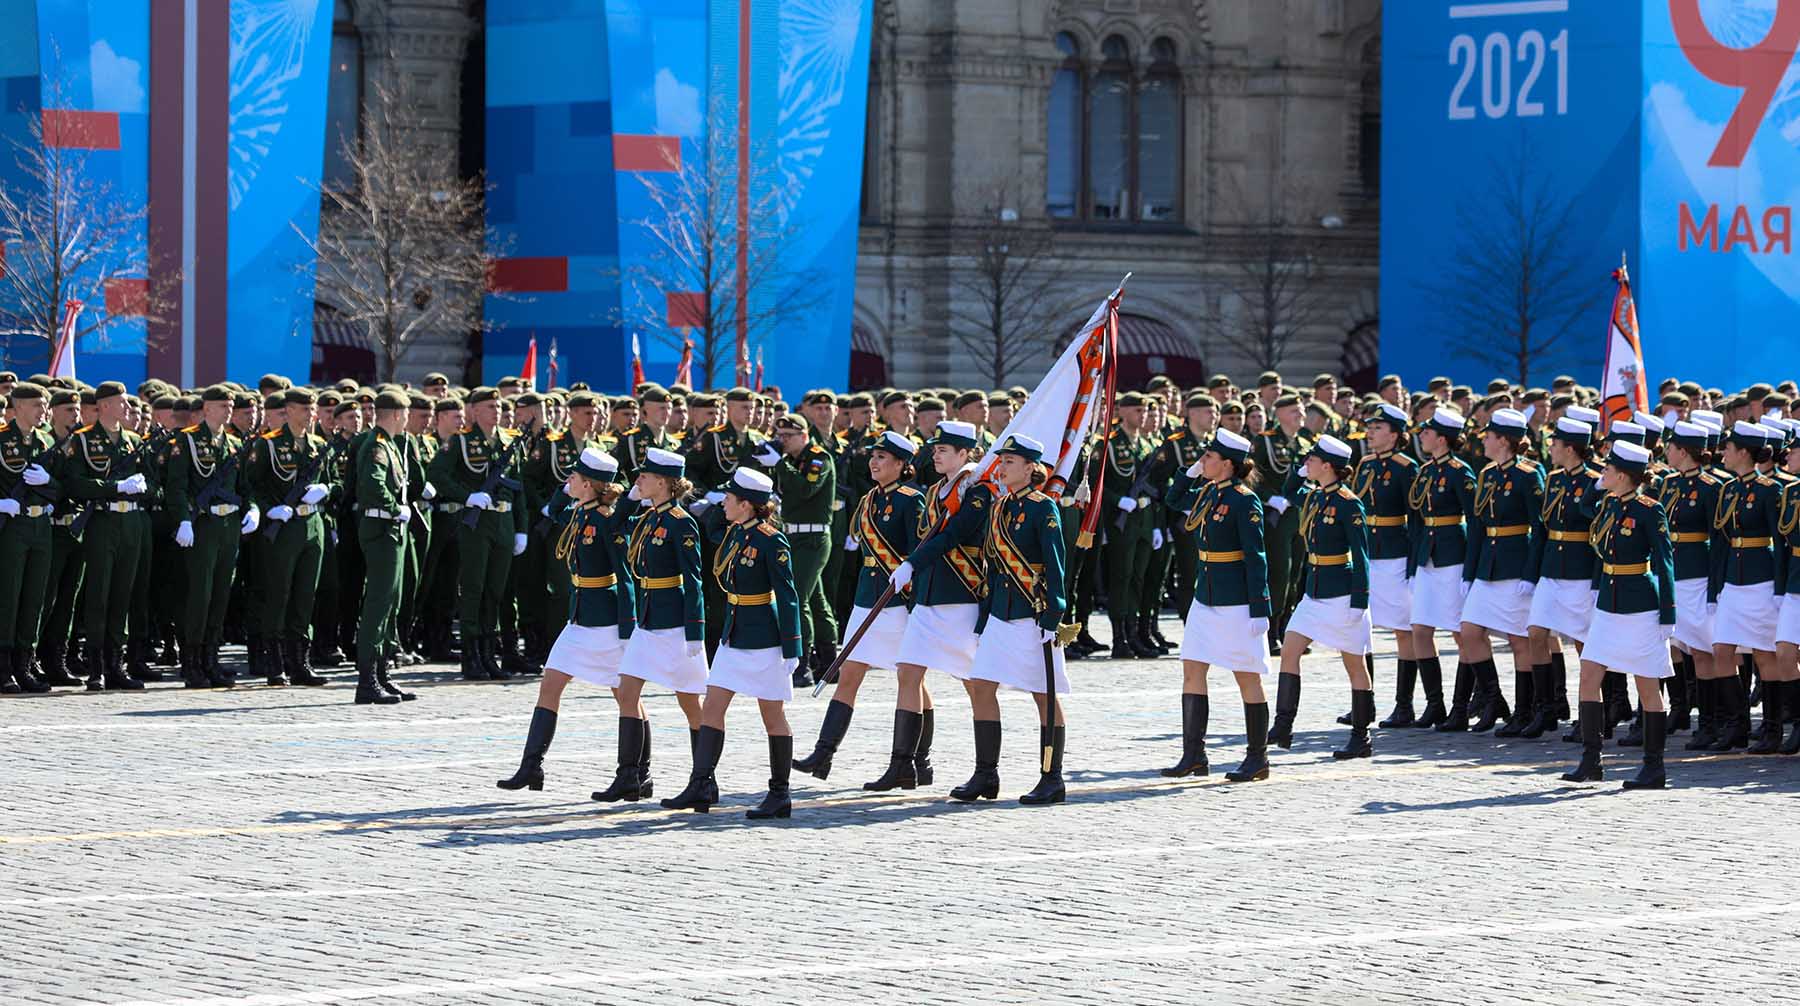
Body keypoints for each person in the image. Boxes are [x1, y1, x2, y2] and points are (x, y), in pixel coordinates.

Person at [662, 468, 803, 817]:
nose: (722, 501)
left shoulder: (771, 540)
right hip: (733, 633)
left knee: (772, 715)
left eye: (730, 498)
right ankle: (702, 784)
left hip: (765, 639)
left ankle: (779, 793)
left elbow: (787, 596)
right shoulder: (735, 533)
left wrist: (793, 646)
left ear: (746, 504)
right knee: (712, 706)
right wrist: (717, 508)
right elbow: (711, 527)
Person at [498, 447, 638, 793]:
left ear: (589, 484)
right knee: (551, 683)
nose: (568, 480)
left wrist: (627, 627)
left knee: (625, 696)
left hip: (606, 620)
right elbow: (555, 511)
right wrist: (567, 490)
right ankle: (532, 767)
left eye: (574, 476)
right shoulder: (580, 513)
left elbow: (626, 575)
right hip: (580, 617)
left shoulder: (607, 520)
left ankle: (634, 773)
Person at [794, 431, 930, 788]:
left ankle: (914, 761)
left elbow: (920, 557)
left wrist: (916, 602)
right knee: (850, 672)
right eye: (873, 456)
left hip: (898, 602)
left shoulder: (911, 501)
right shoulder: (869, 500)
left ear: (902, 465)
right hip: (868, 599)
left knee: (911, 679)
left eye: (883, 457)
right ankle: (823, 754)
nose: (874, 462)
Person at [885, 420, 995, 799]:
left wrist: (912, 563)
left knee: (975, 685)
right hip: (930, 599)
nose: (936, 455)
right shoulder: (935, 491)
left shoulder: (978, 491)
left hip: (961, 597)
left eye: (944, 450)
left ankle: (986, 770)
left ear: (966, 454)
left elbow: (955, 535)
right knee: (907, 673)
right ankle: (905, 763)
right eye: (935, 450)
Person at [959, 434, 1070, 804]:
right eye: (1001, 461)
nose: (1002, 467)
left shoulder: (1044, 508)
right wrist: (984, 615)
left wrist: (1053, 613)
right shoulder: (999, 507)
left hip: (1032, 614)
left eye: (1010, 462)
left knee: (1043, 695)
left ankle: (1051, 777)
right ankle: (985, 774)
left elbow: (1055, 565)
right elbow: (993, 567)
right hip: (1001, 612)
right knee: (981, 685)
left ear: (1030, 468)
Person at [1562, 441, 1676, 787]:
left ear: (1624, 475)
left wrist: (1668, 612)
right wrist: (1598, 488)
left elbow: (1665, 561)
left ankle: (1654, 765)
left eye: (1608, 470)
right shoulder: (1609, 503)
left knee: (1646, 685)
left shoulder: (1649, 510)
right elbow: (1584, 508)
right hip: (1609, 605)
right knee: (1589, 673)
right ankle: (1591, 758)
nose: (1602, 474)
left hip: (1640, 605)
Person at [1161, 427, 1273, 782]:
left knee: (1246, 677)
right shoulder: (1208, 491)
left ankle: (1258, 758)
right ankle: (1194, 754)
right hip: (1205, 596)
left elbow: (1256, 558)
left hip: (1237, 601)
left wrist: (1260, 608)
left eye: (1208, 457)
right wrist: (1191, 472)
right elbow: (1174, 499)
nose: (1202, 460)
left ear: (1228, 463)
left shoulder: (1244, 500)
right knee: (1192, 670)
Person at [1267, 434, 1375, 760]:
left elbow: (1362, 555)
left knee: (1354, 664)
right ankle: (1283, 724)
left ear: (1327, 465)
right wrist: (1298, 474)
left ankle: (1361, 736)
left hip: (1342, 594)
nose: (1306, 464)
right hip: (1314, 592)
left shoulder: (1348, 503)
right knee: (1290, 650)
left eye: (1311, 460)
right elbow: (1289, 493)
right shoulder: (1315, 497)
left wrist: (1360, 601)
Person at [617, 447, 709, 793]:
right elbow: (614, 524)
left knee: (689, 703)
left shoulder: (681, 523)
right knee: (627, 691)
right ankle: (630, 777)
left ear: (664, 482)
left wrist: (695, 630)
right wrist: (629, 498)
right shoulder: (649, 517)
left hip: (674, 624)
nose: (637, 480)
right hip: (648, 618)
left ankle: (703, 779)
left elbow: (694, 578)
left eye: (644, 476)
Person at [427, 387, 530, 681]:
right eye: (488, 407)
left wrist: (520, 528)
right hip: (477, 524)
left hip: (504, 522)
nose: (495, 411)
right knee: (474, 589)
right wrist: (467, 496)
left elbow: (518, 489)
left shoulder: (510, 442)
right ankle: (471, 657)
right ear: (474, 411)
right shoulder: (461, 442)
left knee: (495, 592)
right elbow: (437, 475)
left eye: (497, 407)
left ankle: (489, 655)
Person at [162, 385, 261, 688]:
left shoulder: (233, 444)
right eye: (222, 406)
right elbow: (176, 486)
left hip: (228, 526)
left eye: (230, 406)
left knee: (220, 596)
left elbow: (245, 487)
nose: (228, 411)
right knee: (200, 596)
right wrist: (182, 520)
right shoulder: (187, 441)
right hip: (201, 526)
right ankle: (191, 663)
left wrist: (253, 509)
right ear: (206, 409)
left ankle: (210, 659)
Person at [63, 381, 156, 691]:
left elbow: (155, 485)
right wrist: (115, 487)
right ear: (102, 406)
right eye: (120, 402)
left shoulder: (133, 441)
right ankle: (96, 667)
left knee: (122, 595)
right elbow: (75, 484)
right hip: (102, 521)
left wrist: (143, 488)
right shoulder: (84, 440)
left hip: (130, 521)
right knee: (99, 594)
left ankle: (116, 665)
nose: (127, 408)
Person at [1458, 408, 1543, 735]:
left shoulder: (1528, 474)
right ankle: (1495, 699)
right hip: (1487, 566)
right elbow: (1478, 526)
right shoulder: (1488, 474)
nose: (1484, 440)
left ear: (1504, 441)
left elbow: (1539, 528)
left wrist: (1531, 573)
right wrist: (1469, 572)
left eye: (1490, 436)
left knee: (1518, 640)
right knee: (1469, 631)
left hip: (1515, 563)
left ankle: (1524, 711)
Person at [246, 387, 333, 688]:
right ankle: (275, 661)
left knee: (305, 595)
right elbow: (251, 485)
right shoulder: (269, 445)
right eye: (304, 409)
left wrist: (327, 490)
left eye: (312, 409)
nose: (310, 414)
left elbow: (333, 481)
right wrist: (270, 509)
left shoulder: (319, 445)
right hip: (283, 528)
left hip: (313, 526)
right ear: (289, 411)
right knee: (279, 593)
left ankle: (300, 661)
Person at [1708, 421, 1786, 751]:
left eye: (1728, 448)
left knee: (1764, 654)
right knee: (1721, 651)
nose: (1723, 453)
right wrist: (1715, 589)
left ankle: (1771, 728)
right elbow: (1721, 542)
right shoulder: (1728, 490)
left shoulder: (1770, 490)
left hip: (1759, 580)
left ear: (1743, 452)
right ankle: (1736, 723)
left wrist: (1780, 589)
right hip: (1733, 582)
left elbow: (1780, 543)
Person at [351, 391, 429, 705]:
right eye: (406, 413)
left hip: (391, 531)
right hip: (382, 528)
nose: (408, 419)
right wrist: (396, 509)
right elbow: (373, 485)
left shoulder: (392, 445)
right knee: (378, 606)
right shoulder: (377, 446)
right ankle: (366, 680)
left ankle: (382, 674)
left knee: (390, 605)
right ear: (396, 414)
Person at [1407, 409, 1479, 732]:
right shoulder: (1425, 471)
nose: (1422, 435)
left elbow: (1476, 522)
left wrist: (1470, 570)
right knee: (1420, 630)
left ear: (1442, 438)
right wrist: (1413, 563)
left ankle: (1461, 706)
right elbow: (1417, 521)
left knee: (1460, 633)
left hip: (1453, 555)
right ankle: (1435, 704)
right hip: (1429, 557)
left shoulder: (1460, 473)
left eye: (1428, 432)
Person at [1352, 404, 1422, 727]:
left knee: (1401, 629)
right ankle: (1363, 701)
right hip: (1369, 551)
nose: (1371, 432)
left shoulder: (1407, 467)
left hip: (1395, 551)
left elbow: (1417, 517)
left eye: (1378, 428)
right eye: (1370, 427)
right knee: (1361, 627)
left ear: (1395, 435)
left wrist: (1414, 560)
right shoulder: (1364, 465)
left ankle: (1404, 705)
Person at [755, 414, 838, 685]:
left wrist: (779, 464)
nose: (783, 441)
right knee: (815, 600)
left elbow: (806, 489)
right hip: (794, 536)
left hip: (812, 538)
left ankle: (802, 665)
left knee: (797, 597)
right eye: (780, 436)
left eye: (788, 436)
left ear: (803, 435)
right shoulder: (791, 462)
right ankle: (829, 664)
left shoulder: (818, 458)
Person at [1662, 421, 1725, 748]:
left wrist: (1714, 587)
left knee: (1703, 650)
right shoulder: (1669, 484)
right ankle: (1702, 717)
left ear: (1684, 451)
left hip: (1698, 576)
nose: (1666, 452)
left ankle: (1712, 722)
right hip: (1675, 574)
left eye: (1671, 447)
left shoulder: (1710, 487)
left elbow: (1718, 541)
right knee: (1683, 648)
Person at [0, 382, 59, 694]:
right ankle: (4, 666)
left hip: (41, 527)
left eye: (44, 405)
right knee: (8, 596)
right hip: (12, 526)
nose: (42, 411)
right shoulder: (1, 439)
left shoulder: (46, 441)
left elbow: (62, 485)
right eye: (37, 405)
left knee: (35, 597)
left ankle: (25, 664)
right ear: (19, 407)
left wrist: (50, 482)